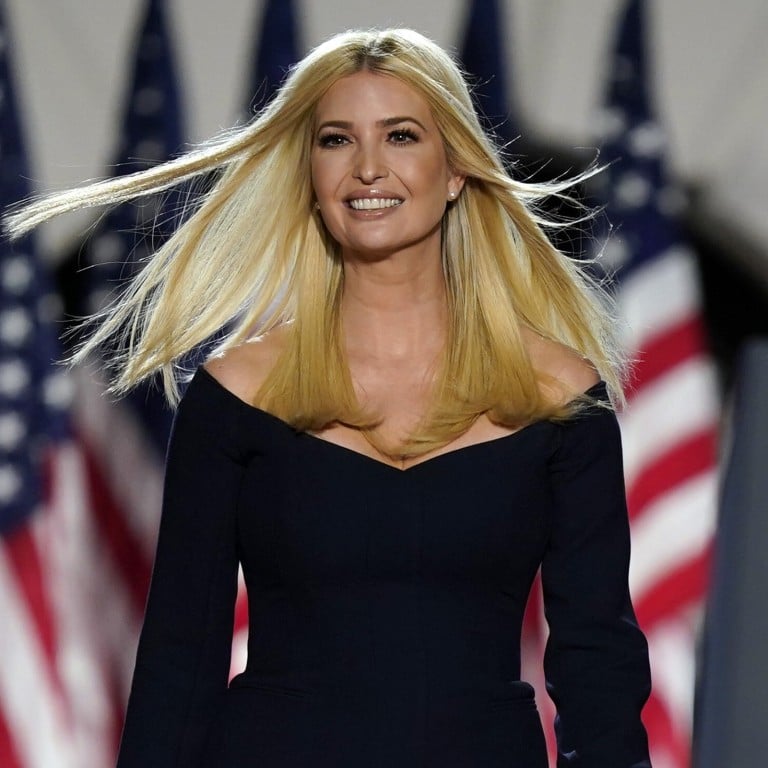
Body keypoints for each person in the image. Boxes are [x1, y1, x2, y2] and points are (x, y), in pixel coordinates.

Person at [6, 27, 652, 768]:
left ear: (456, 171)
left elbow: (597, 659)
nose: (368, 167)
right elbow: (180, 662)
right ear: (310, 174)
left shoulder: (560, 398)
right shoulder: (237, 395)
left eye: (401, 135)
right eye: (337, 140)